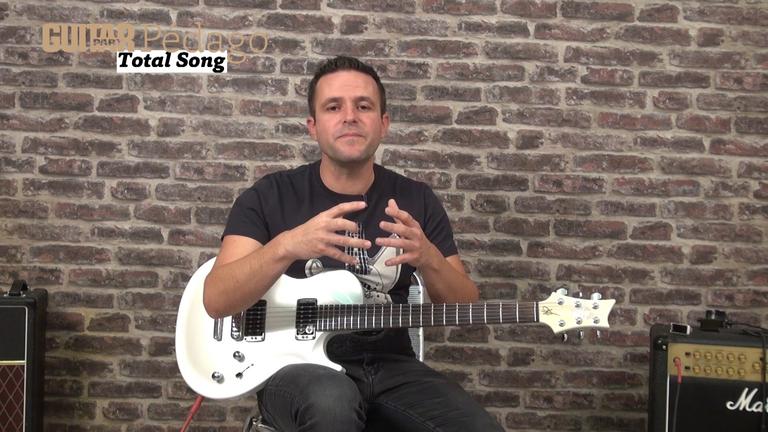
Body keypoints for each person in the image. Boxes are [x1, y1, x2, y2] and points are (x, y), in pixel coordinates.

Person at [203, 56, 504, 432]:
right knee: (332, 405)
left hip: (392, 367)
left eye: (363, 106)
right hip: (295, 369)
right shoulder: (269, 196)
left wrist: (429, 258)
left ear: (383, 124)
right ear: (313, 127)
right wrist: (288, 245)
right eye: (333, 107)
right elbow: (217, 300)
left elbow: (465, 308)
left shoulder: (416, 199)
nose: (349, 117)